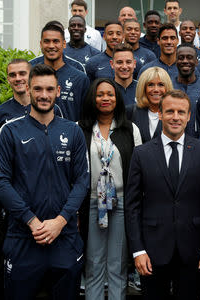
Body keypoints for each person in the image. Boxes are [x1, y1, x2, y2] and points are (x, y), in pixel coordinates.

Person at [0, 64, 90, 300]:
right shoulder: (9, 131)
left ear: (58, 91)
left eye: (49, 89)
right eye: (38, 89)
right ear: (28, 88)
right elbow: (0, 182)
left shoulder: (73, 131)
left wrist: (60, 221)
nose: (43, 95)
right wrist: (32, 221)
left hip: (64, 238)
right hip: (23, 238)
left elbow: (82, 180)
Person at [125, 89, 200, 300]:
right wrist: (138, 250)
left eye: (181, 112)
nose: (175, 117)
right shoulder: (142, 153)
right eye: (170, 111)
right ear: (160, 114)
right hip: (152, 249)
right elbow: (132, 205)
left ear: (189, 116)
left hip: (193, 249)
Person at [77, 78, 142, 300]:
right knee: (93, 264)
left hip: (122, 202)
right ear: (92, 98)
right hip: (92, 202)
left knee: (118, 264)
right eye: (100, 94)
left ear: (117, 98)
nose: (105, 98)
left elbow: (138, 170)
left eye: (110, 94)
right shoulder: (80, 129)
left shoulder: (129, 129)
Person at [32, 22, 90, 122]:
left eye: (56, 41)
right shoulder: (30, 73)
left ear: (63, 44)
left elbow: (86, 116)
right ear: (41, 44)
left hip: (69, 135)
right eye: (46, 41)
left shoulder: (80, 77)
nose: (51, 46)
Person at [173, 43, 200, 137]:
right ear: (176, 61)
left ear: (196, 61)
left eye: (189, 57)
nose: (185, 61)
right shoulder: (168, 87)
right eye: (181, 57)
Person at [127, 67, 173, 143]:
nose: (156, 90)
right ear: (143, 88)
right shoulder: (130, 112)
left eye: (161, 85)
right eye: (151, 85)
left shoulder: (175, 113)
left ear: (167, 88)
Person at [0, 59, 31, 142]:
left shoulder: (49, 108)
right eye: (12, 75)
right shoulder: (0, 112)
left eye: (22, 74)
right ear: (8, 79)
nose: (17, 78)